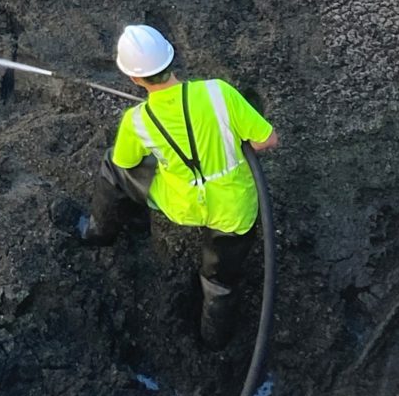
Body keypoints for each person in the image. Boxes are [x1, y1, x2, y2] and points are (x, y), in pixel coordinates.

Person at [82, 25, 278, 350]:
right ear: (172, 58)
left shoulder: (137, 120)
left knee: (112, 167)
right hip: (235, 212)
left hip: (181, 205)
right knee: (220, 280)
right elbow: (268, 139)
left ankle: (98, 234)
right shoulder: (219, 93)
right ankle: (214, 341)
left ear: (134, 78)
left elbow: (126, 162)